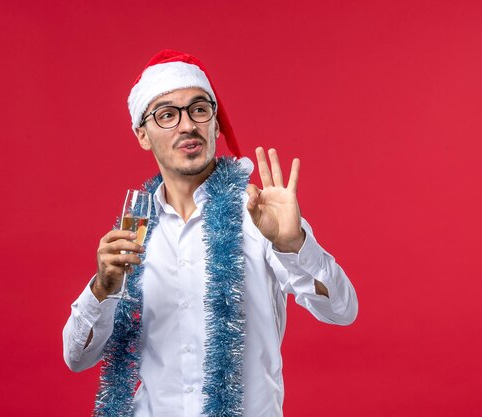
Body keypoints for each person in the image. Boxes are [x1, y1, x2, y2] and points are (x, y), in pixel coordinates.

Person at [63, 49, 358, 417]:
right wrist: (102, 289)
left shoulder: (260, 213)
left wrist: (293, 245)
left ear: (215, 124)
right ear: (142, 134)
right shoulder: (132, 233)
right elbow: (77, 358)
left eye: (199, 109)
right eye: (167, 115)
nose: (187, 125)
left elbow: (342, 310)